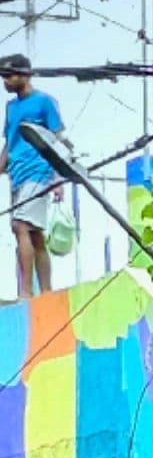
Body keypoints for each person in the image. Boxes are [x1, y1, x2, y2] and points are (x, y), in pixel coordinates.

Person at [4, 53, 66, 302]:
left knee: (20, 225)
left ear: (24, 75)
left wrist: (58, 176)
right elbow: (9, 143)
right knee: (34, 232)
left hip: (39, 171)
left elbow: (57, 139)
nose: (5, 82)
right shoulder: (10, 107)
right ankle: (47, 291)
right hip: (17, 174)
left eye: (9, 75)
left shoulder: (44, 102)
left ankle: (26, 291)